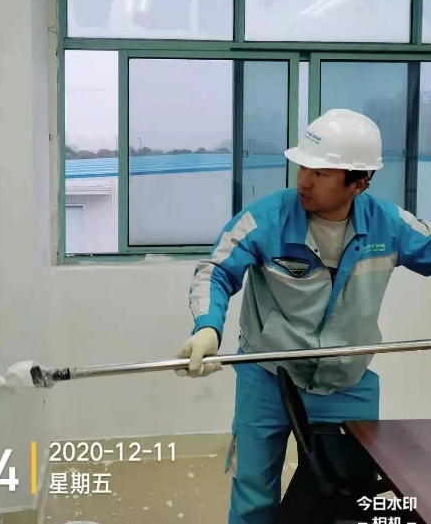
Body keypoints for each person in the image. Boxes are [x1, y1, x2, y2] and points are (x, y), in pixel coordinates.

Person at [175, 108, 431, 524]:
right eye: (303, 167)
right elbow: (215, 272)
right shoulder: (265, 220)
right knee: (255, 497)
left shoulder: (390, 225)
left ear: (359, 183)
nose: (304, 181)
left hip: (347, 381)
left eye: (321, 173)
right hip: (268, 376)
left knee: (351, 498)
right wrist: (207, 329)